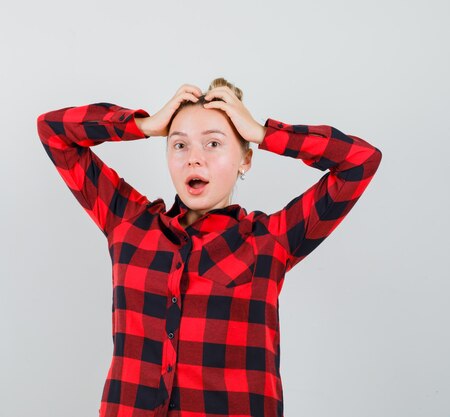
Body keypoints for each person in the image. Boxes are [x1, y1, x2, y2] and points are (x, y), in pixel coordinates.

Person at [36, 78, 382, 417]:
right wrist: (145, 124)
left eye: (213, 144)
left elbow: (359, 161)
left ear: (245, 159)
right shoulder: (129, 225)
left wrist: (263, 133)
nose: (193, 159)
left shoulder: (271, 240)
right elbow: (54, 131)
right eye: (179, 144)